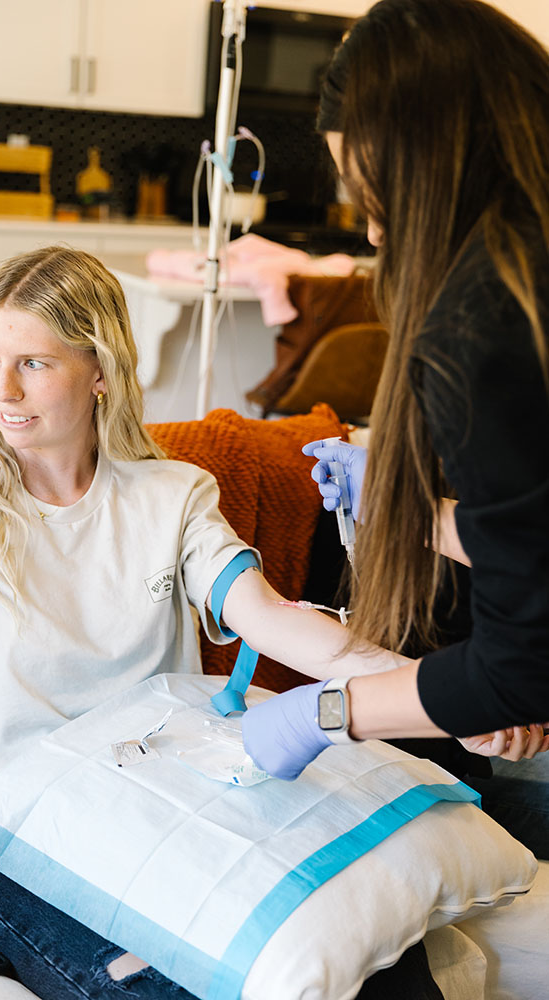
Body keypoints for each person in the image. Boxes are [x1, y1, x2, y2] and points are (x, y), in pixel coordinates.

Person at [0, 244, 427, 999]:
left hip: (170, 816)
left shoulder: (172, 495)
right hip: (19, 845)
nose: (0, 389)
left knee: (373, 966)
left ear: (100, 368)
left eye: (34, 363)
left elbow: (269, 617)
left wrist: (443, 699)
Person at [242, 0, 549, 858]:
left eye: (371, 196)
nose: (371, 230)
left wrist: (326, 711)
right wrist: (424, 518)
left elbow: (521, 663)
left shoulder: (486, 323)